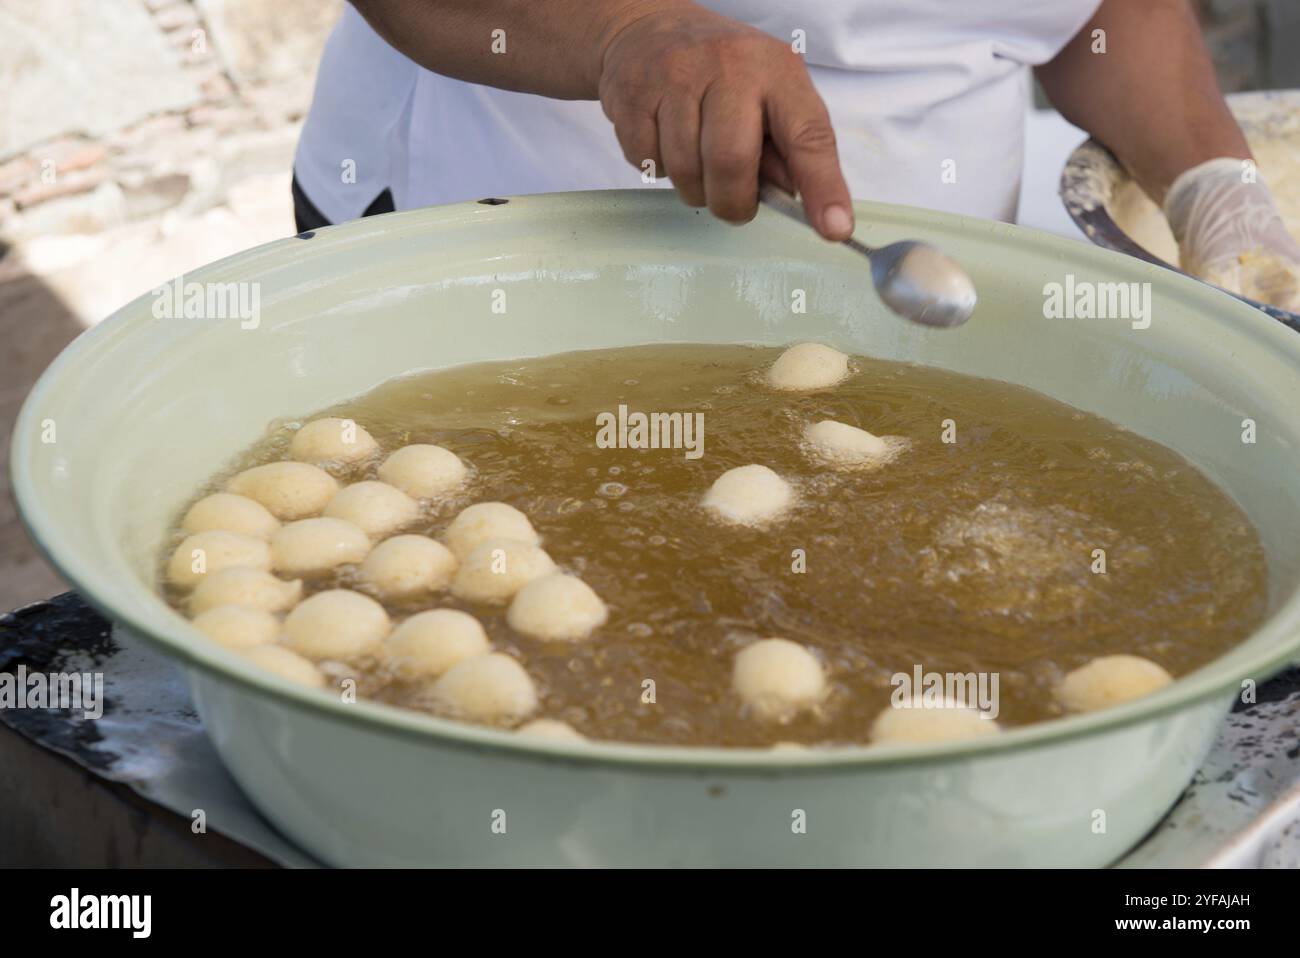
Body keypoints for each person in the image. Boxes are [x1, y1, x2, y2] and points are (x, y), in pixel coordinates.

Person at [293, 0, 1300, 308]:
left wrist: (1215, 190)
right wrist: (628, 36)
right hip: (524, 232)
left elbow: (1095, 11)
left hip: (913, 280)